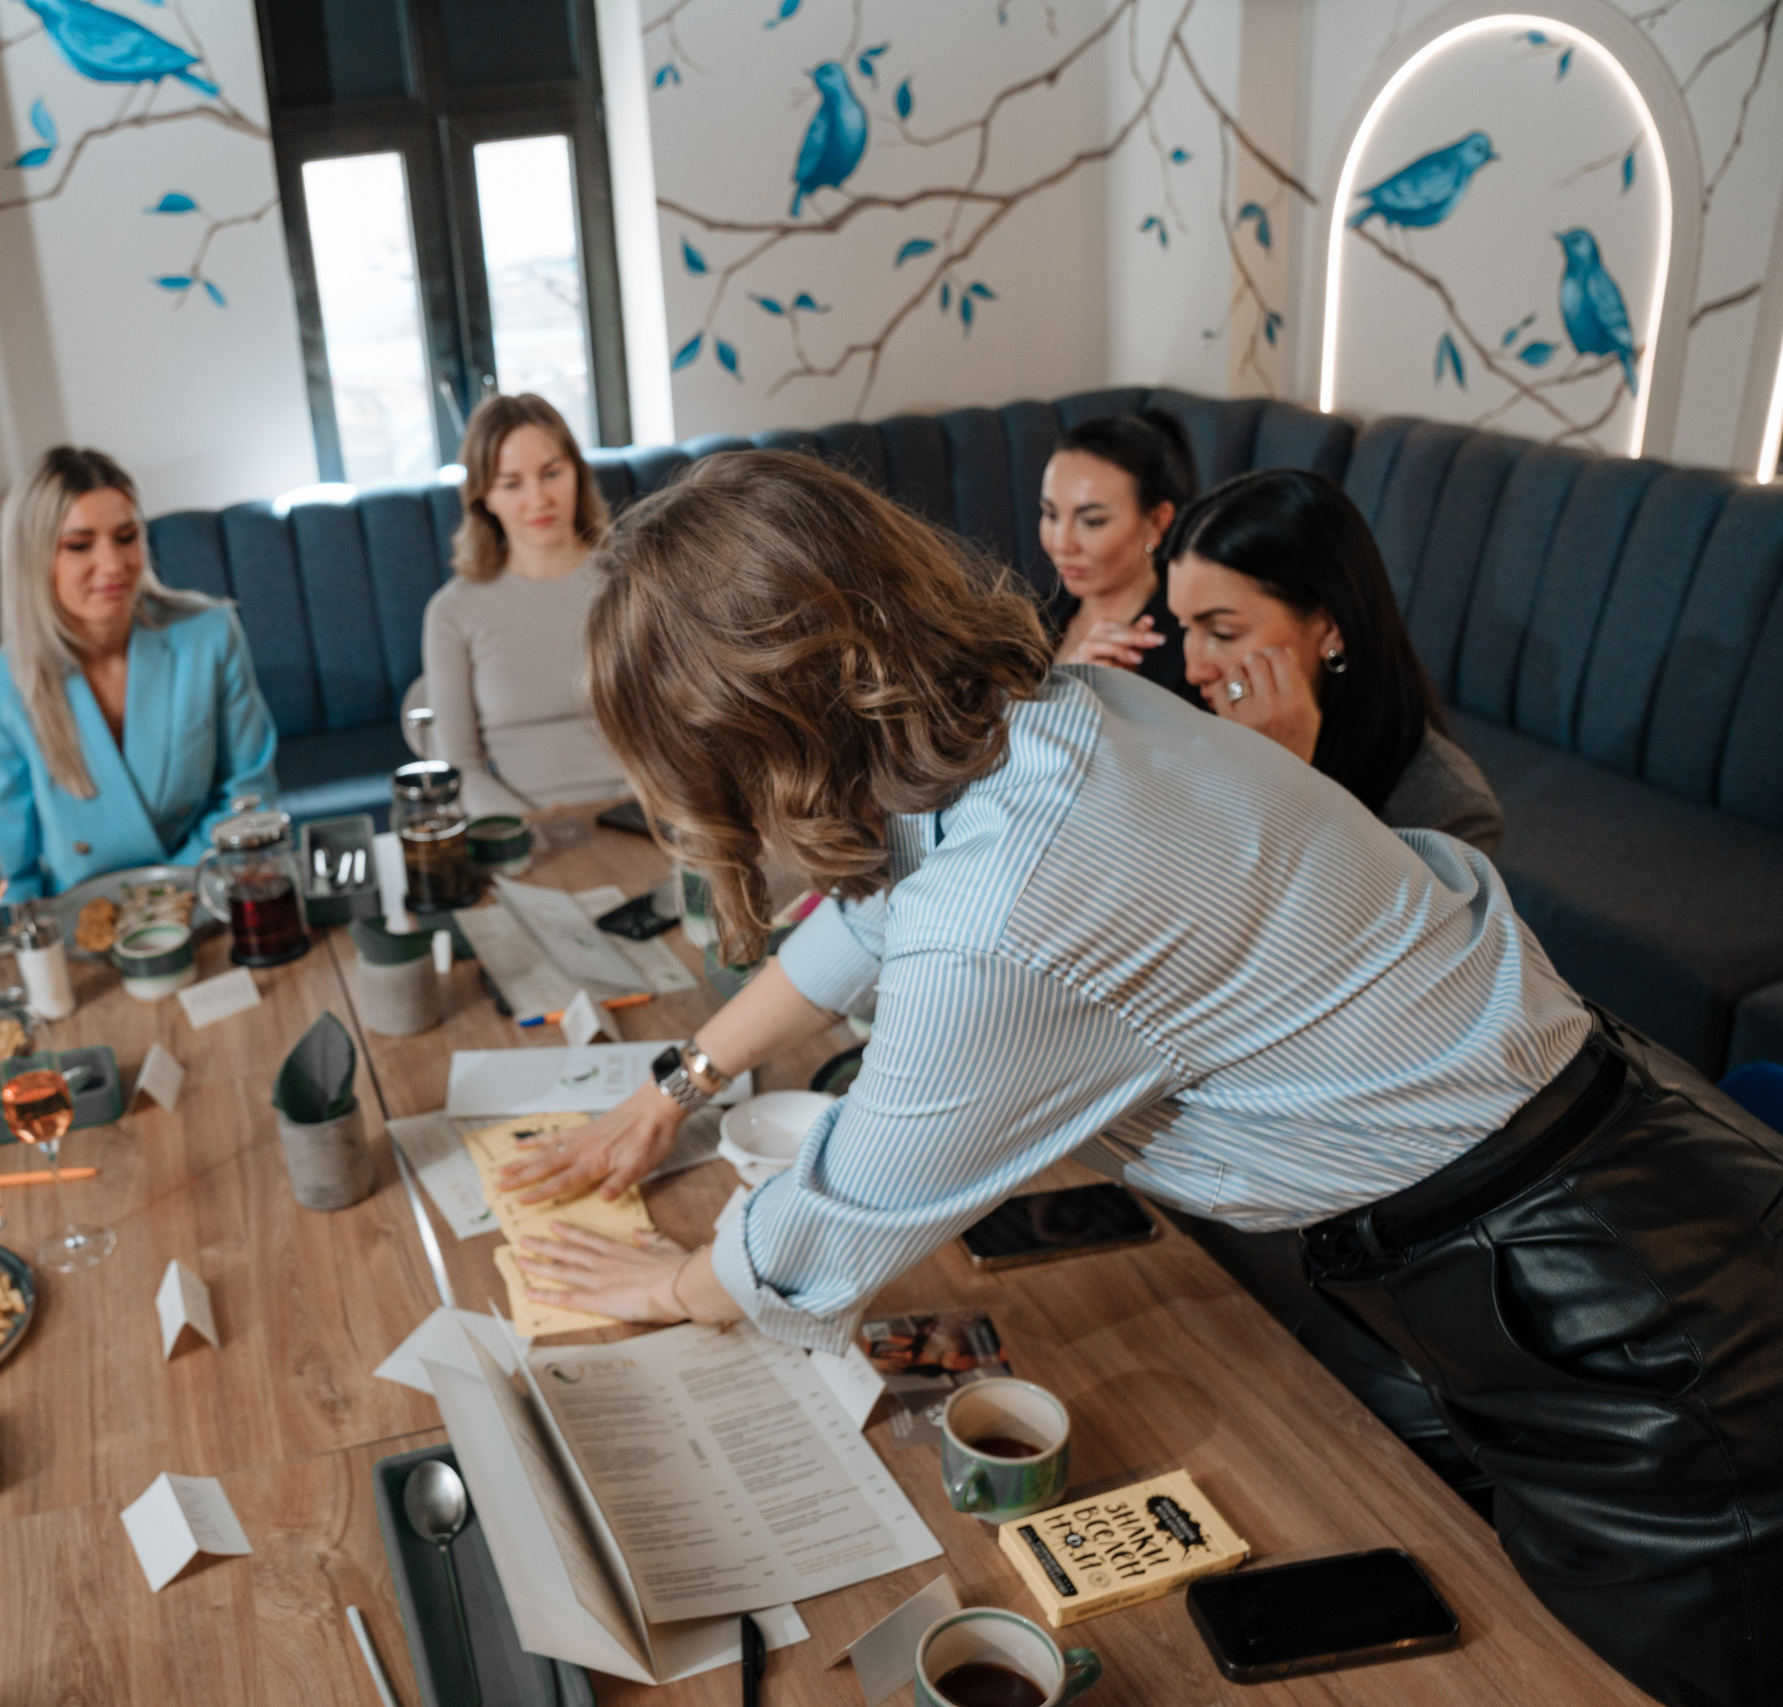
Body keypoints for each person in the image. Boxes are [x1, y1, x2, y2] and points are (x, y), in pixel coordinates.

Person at [501, 451, 1783, 1707]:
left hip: (1609, 1299)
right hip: (1560, 1197)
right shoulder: (1042, 719)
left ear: (761, 737)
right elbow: (869, 916)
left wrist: (673, 1281)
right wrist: (682, 1076)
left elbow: (840, 1213)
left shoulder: (1004, 901)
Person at [0, 445, 280, 902]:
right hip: (84, 927)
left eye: (126, 537)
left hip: (206, 892)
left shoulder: (209, 634)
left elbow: (249, 795)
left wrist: (175, 893)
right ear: (33, 560)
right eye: (79, 545)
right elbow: (10, 873)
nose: (113, 565)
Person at [1165, 468, 1503, 853]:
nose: (1195, 670)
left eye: (1223, 633)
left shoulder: (1447, 810)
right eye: (1185, 628)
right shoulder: (1190, 710)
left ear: (1330, 629)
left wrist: (1285, 785)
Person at [419, 394, 629, 818]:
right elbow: (461, 768)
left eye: (551, 473)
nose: (538, 499)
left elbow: (676, 734)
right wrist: (526, 835)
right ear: (484, 497)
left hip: (644, 820)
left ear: (577, 474)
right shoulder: (451, 613)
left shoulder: (632, 584)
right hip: (522, 837)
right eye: (511, 483)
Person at [1035, 411, 1195, 697]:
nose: (1061, 543)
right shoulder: (1031, 617)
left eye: (1092, 521)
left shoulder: (1189, 646)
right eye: (1050, 514)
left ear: (1158, 521)